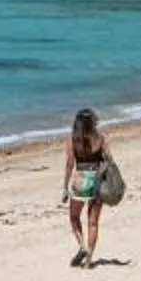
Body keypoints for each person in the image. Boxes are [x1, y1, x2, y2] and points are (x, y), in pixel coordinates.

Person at [60, 109, 116, 268]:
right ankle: (89, 259)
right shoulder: (101, 138)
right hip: (97, 180)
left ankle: (82, 246)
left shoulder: (73, 140)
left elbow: (70, 164)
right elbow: (109, 161)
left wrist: (65, 187)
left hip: (80, 180)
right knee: (93, 222)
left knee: (74, 217)